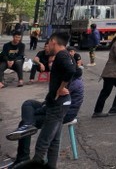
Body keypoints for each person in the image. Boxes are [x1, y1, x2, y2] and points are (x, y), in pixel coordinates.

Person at [6, 64, 83, 168]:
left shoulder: (69, 83)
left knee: (26, 122)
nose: (51, 64)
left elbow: (55, 105)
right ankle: (28, 124)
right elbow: (51, 100)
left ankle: (23, 156)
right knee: (29, 103)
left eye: (53, 62)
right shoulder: (71, 78)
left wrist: (38, 111)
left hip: (61, 113)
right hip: (54, 108)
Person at [19, 32, 76, 167]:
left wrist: (62, 87)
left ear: (53, 41)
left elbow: (71, 71)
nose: (47, 46)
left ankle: (35, 162)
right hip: (60, 103)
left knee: (43, 142)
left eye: (48, 43)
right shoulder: (67, 55)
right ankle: (51, 166)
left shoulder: (61, 55)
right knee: (54, 140)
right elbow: (75, 70)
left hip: (58, 104)